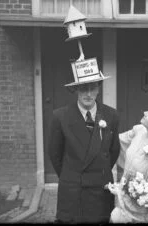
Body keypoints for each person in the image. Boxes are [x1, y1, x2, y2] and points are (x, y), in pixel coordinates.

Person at [48, 72, 120, 223]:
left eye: (92, 88)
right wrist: (71, 175)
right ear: (76, 90)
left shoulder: (111, 115)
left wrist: (100, 169)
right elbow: (55, 154)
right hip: (73, 189)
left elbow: (113, 151)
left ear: (98, 89)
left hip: (101, 187)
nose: (88, 94)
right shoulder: (60, 116)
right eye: (83, 89)